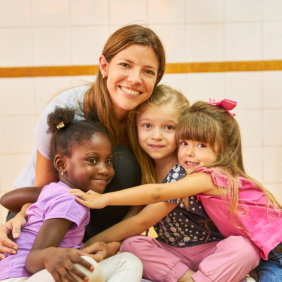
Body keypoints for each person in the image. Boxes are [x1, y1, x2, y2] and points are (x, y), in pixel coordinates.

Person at [0, 23, 166, 260]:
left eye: (148, 71)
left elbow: (145, 196)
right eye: (125, 65)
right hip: (39, 214)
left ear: (158, 77)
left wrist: (113, 245)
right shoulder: (66, 109)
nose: (135, 79)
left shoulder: (153, 121)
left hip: (96, 226)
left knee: (125, 164)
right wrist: (18, 218)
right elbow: (42, 191)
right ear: (104, 65)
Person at [69, 99, 282, 282]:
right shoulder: (183, 173)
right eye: (184, 143)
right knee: (132, 244)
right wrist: (95, 244)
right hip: (194, 254)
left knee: (244, 249)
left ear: (224, 150)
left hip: (275, 254)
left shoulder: (212, 176)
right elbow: (140, 219)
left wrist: (104, 199)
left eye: (201, 146)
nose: (189, 152)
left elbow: (158, 193)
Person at [0, 107, 143, 282]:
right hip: (24, 277)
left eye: (108, 161)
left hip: (25, 274)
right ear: (61, 164)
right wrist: (53, 255)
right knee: (90, 270)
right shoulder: (70, 201)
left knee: (127, 261)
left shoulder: (54, 190)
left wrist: (25, 211)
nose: (104, 170)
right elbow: (33, 261)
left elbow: (6, 199)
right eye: (92, 160)